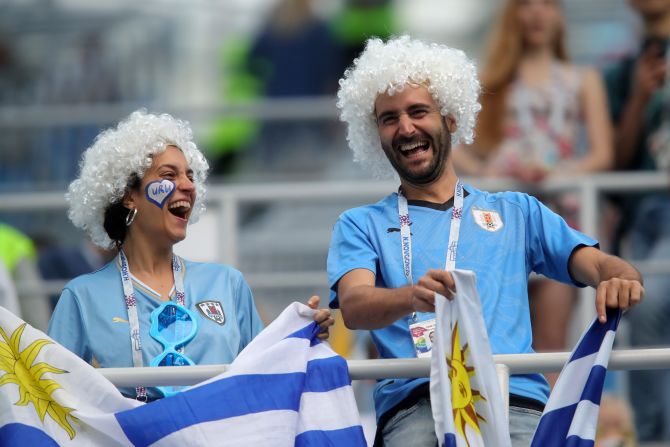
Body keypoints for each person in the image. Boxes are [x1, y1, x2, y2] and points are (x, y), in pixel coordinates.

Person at [327, 35, 644, 446]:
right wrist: (411, 297)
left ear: (451, 119)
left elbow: (600, 265)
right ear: (377, 133)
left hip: (515, 401)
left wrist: (621, 276)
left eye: (418, 111)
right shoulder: (359, 224)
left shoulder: (517, 210)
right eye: (389, 118)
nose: (405, 127)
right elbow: (354, 307)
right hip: (416, 407)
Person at [48, 110, 333, 401]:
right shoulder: (82, 297)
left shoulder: (227, 283)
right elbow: (54, 398)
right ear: (128, 195)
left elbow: (264, 373)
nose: (187, 185)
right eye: (169, 175)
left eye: (190, 175)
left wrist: (300, 334)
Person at [456, 0, 614, 369]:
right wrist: (490, 172)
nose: (538, 14)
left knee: (552, 342)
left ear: (559, 14)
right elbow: (454, 145)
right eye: (527, 5)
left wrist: (558, 172)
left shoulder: (582, 78)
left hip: (557, 218)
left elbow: (602, 153)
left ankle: (548, 426)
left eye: (547, 4)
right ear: (514, 15)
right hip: (499, 221)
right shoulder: (493, 78)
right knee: (494, 340)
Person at [603, 0, 670, 440]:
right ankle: (651, 436)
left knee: (648, 309)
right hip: (645, 213)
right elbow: (614, 163)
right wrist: (640, 98)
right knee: (644, 310)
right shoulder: (621, 72)